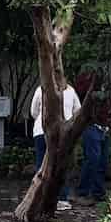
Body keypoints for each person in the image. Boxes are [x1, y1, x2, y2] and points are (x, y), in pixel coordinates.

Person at [30, 76, 80, 212]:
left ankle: (39, 198)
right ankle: (62, 198)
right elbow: (78, 111)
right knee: (62, 166)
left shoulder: (41, 89)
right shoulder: (70, 90)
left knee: (42, 166)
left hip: (42, 131)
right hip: (64, 133)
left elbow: (34, 112)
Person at [78, 85, 111, 204]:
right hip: (92, 126)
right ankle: (83, 192)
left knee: (102, 162)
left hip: (104, 127)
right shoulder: (89, 84)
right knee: (93, 160)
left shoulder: (108, 85)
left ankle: (98, 192)